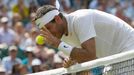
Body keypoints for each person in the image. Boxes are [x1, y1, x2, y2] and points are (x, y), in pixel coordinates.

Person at [34, 5, 134, 75]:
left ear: (58, 19)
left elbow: (90, 55)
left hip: (130, 50)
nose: (48, 34)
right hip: (114, 61)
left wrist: (59, 44)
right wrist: (74, 61)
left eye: (49, 28)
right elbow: (86, 57)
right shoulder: (63, 36)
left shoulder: (81, 19)